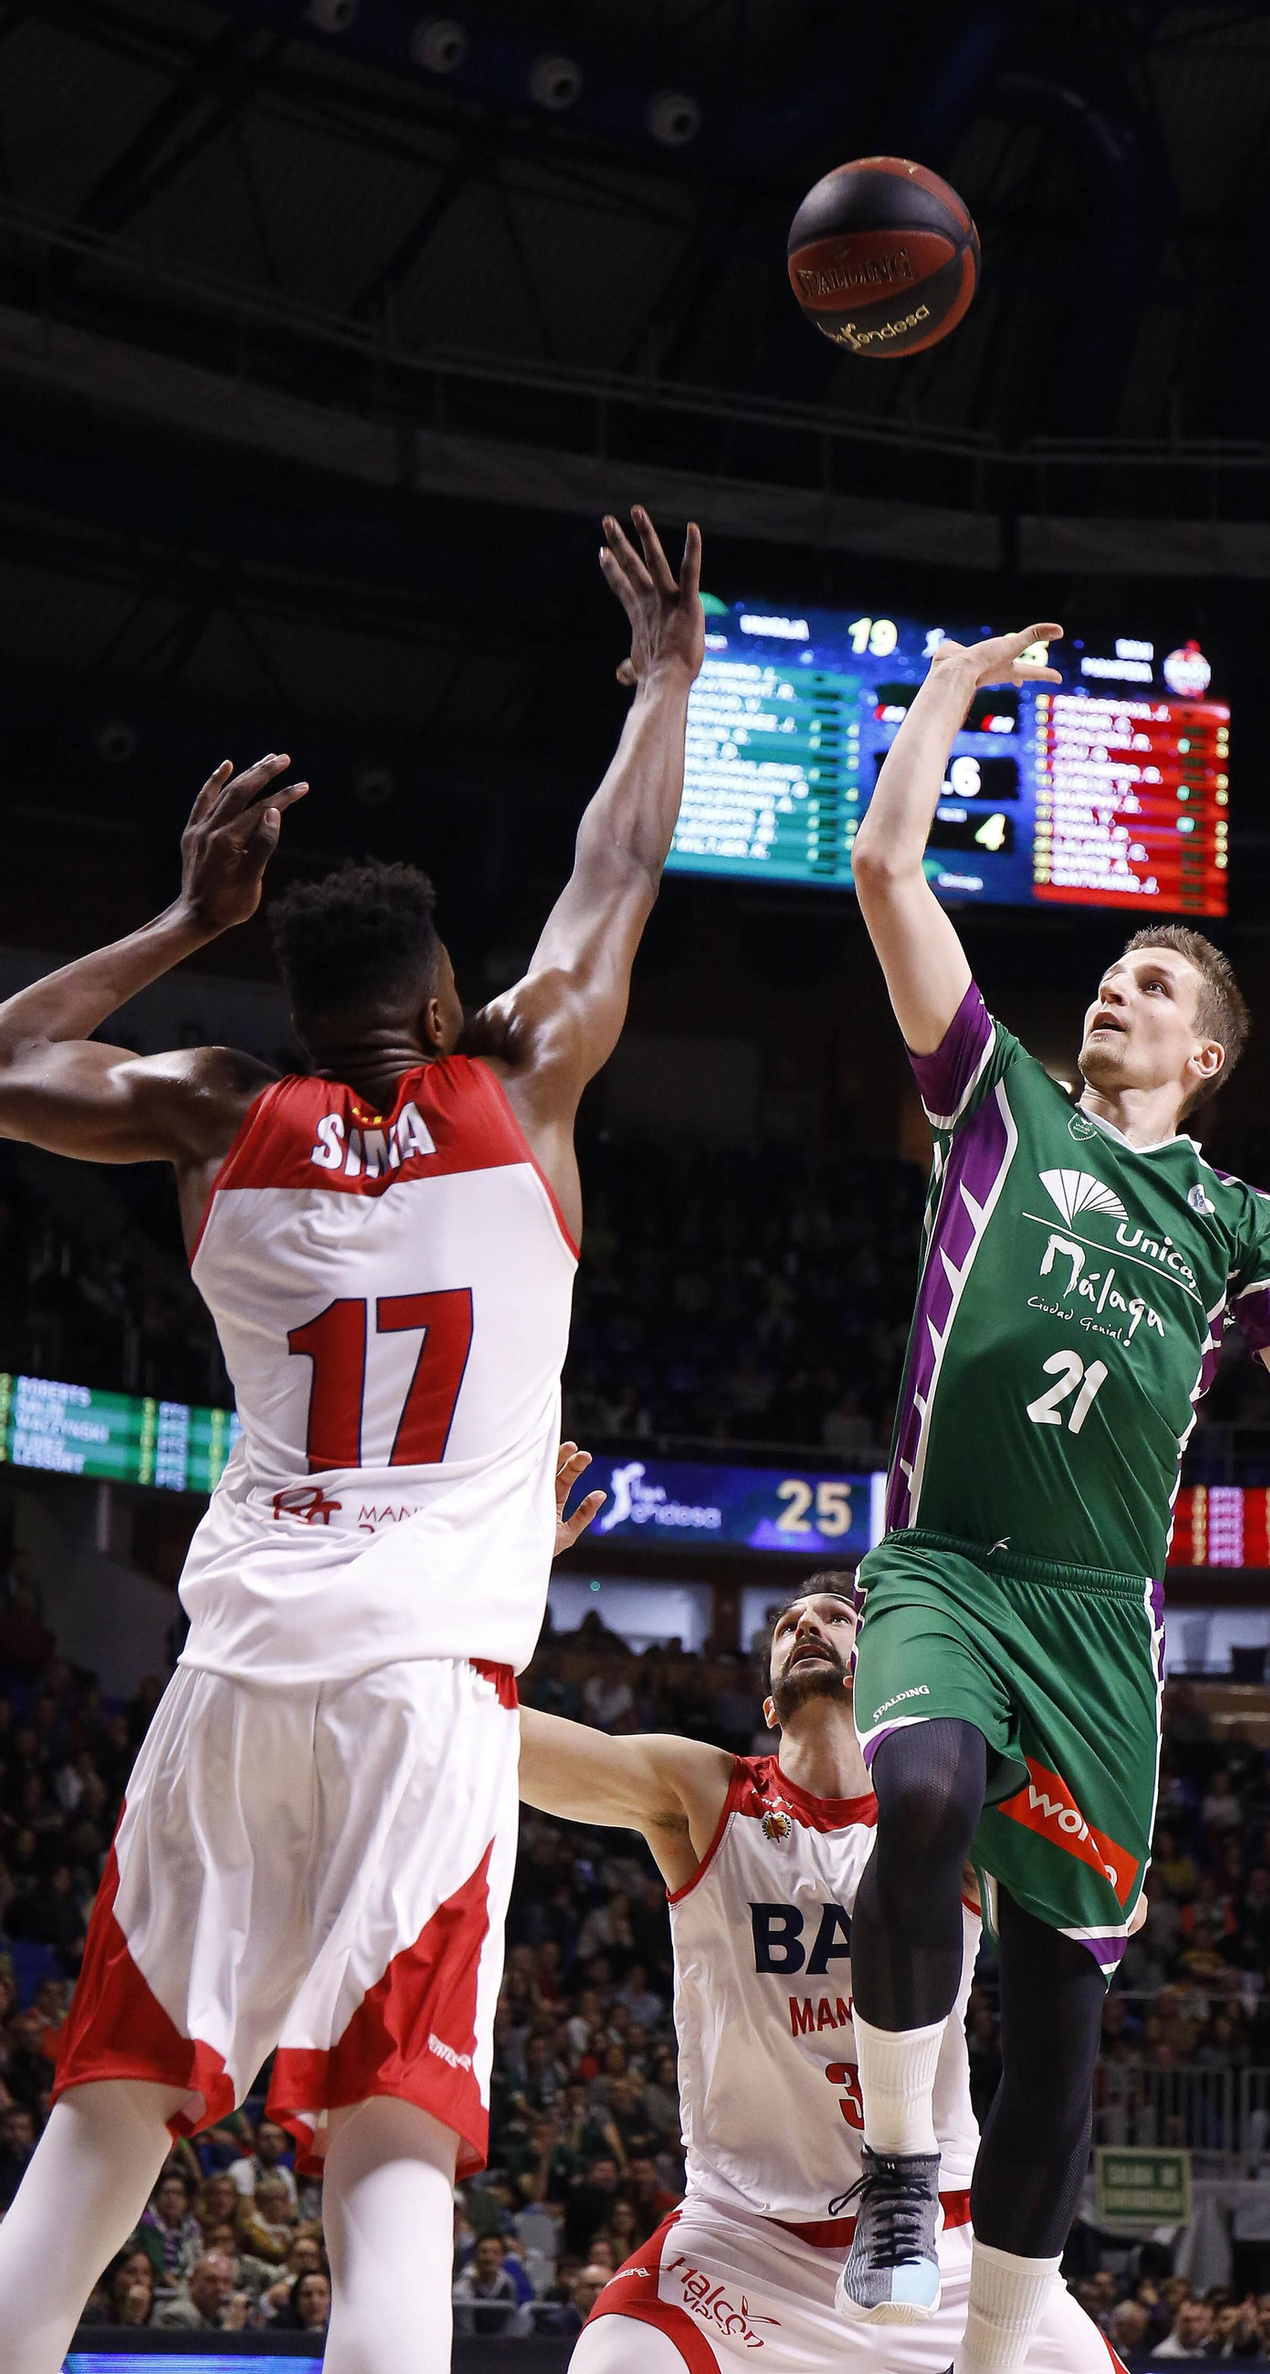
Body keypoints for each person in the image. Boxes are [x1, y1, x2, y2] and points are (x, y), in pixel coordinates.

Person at [0, 504, 705, 2374]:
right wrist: (665, 682)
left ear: (295, 1014)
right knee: (390, 2154)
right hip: (423, 1689)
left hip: (232, 1671)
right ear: (448, 1003)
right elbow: (619, 862)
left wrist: (184, 918)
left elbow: (2, 1059)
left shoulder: (210, 1109)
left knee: (109, 2115)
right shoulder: (527, 1076)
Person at [835, 619, 1270, 2367]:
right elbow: (887, 869)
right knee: (922, 1790)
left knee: (1061, 2018)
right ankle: (900, 2167)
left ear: (1207, 1058)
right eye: (1112, 972)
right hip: (949, 1568)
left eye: (1155, 985)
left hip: (1100, 1629)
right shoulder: (996, 1100)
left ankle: (993, 2351)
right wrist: (947, 694)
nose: (1116, 989)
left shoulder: (1243, 1222)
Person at [515, 1571, 1119, 2373]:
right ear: (769, 1706)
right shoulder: (706, 1794)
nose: (807, 1626)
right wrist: (491, 1586)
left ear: (891, 1673)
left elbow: (1105, 1910)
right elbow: (505, 1744)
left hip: (947, 2237)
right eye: (788, 1625)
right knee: (610, 2364)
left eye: (837, 1617)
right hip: (746, 2242)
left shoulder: (958, 1819)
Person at [151, 2247, 251, 2331]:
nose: (219, 2287)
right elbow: (193, 2349)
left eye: (226, 2281)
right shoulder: (178, 2314)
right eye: (211, 2280)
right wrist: (229, 2330)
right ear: (191, 2282)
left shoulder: (224, 2312)